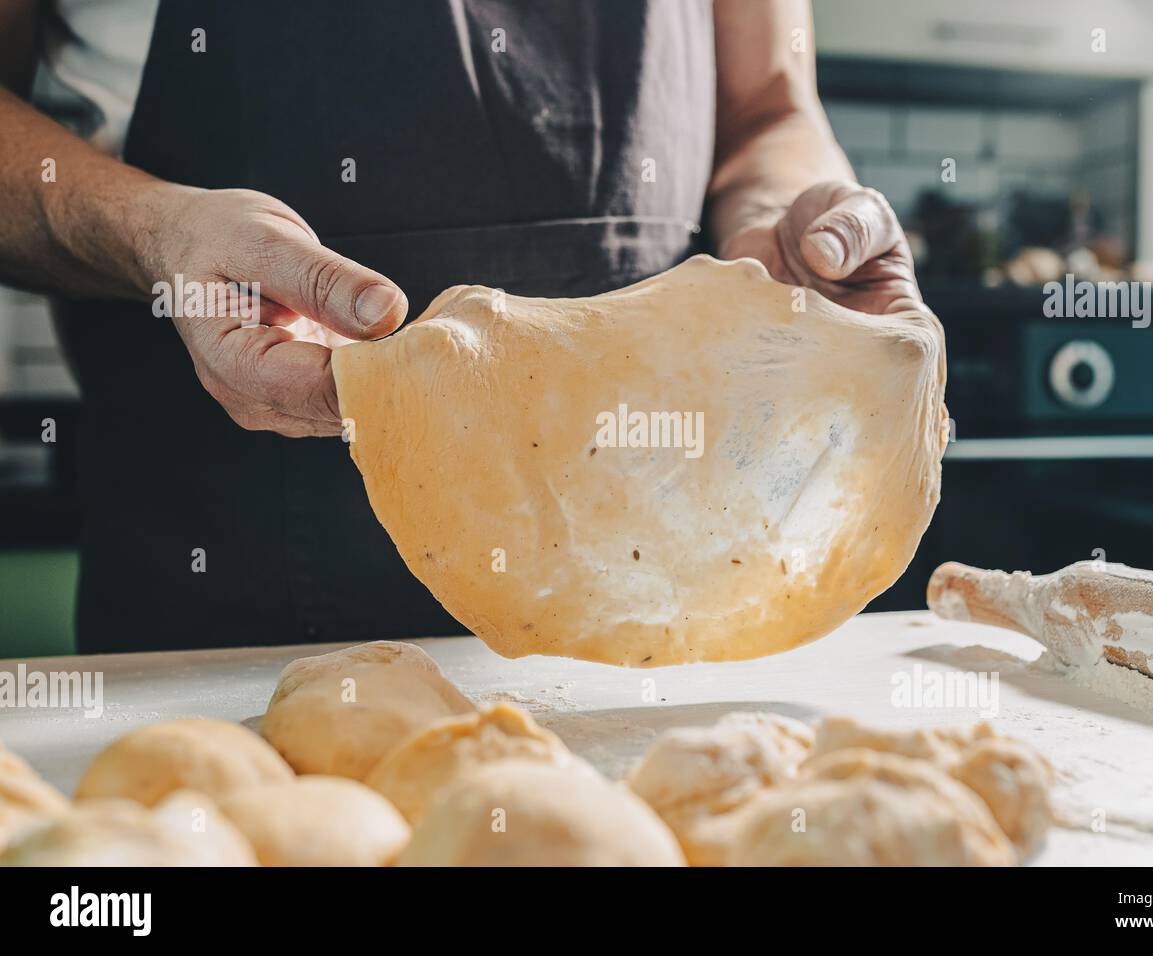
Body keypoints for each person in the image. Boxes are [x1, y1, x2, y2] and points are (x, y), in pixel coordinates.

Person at [0, 0, 940, 653]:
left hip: (667, 581)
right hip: (225, 590)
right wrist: (150, 233)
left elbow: (770, 108)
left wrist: (784, 237)